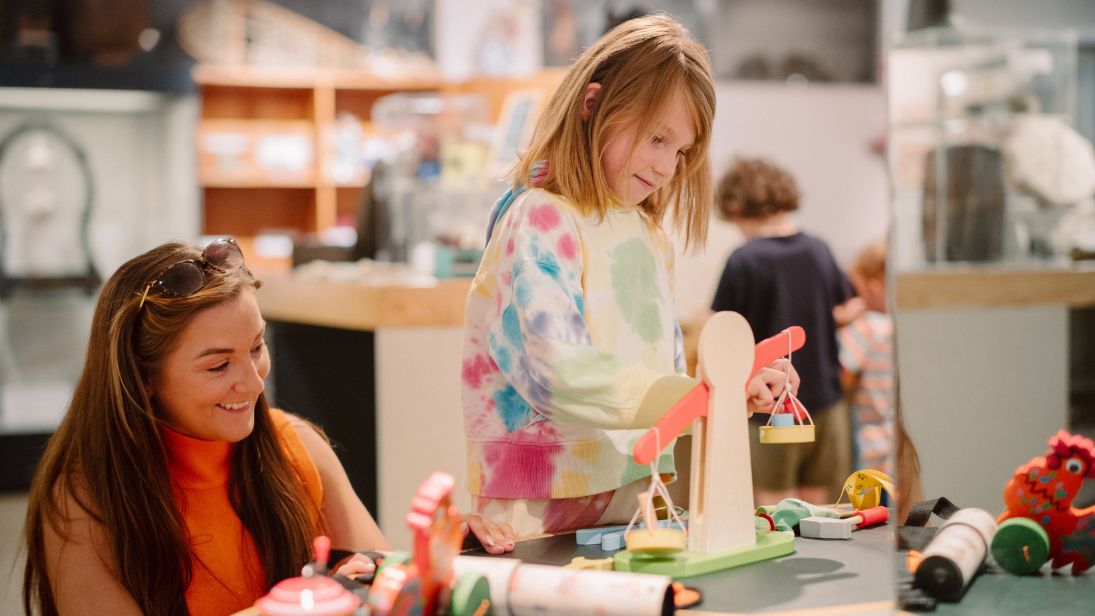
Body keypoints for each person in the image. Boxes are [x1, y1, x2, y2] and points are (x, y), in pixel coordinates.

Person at [22, 240, 511, 616]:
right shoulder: (86, 497)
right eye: (218, 366)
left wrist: (437, 562)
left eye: (256, 347)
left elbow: (385, 586)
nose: (253, 383)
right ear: (143, 376)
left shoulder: (298, 448)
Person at [461, 15, 799, 538]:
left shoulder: (650, 235)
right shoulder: (540, 216)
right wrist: (700, 393)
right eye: (658, 138)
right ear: (592, 105)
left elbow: (659, 369)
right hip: (540, 501)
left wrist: (734, 388)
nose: (668, 167)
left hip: (638, 487)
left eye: (681, 150)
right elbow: (559, 367)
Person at [711, 158, 854, 507]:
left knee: (777, 512)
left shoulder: (744, 260)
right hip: (824, 401)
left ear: (735, 208)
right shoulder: (819, 250)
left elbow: (722, 332)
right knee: (821, 513)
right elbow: (846, 308)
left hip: (769, 406)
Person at [837, 238, 895, 475]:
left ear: (872, 286)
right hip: (900, 441)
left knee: (871, 508)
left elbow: (843, 374)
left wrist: (840, 322)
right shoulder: (901, 329)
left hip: (873, 442)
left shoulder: (867, 327)